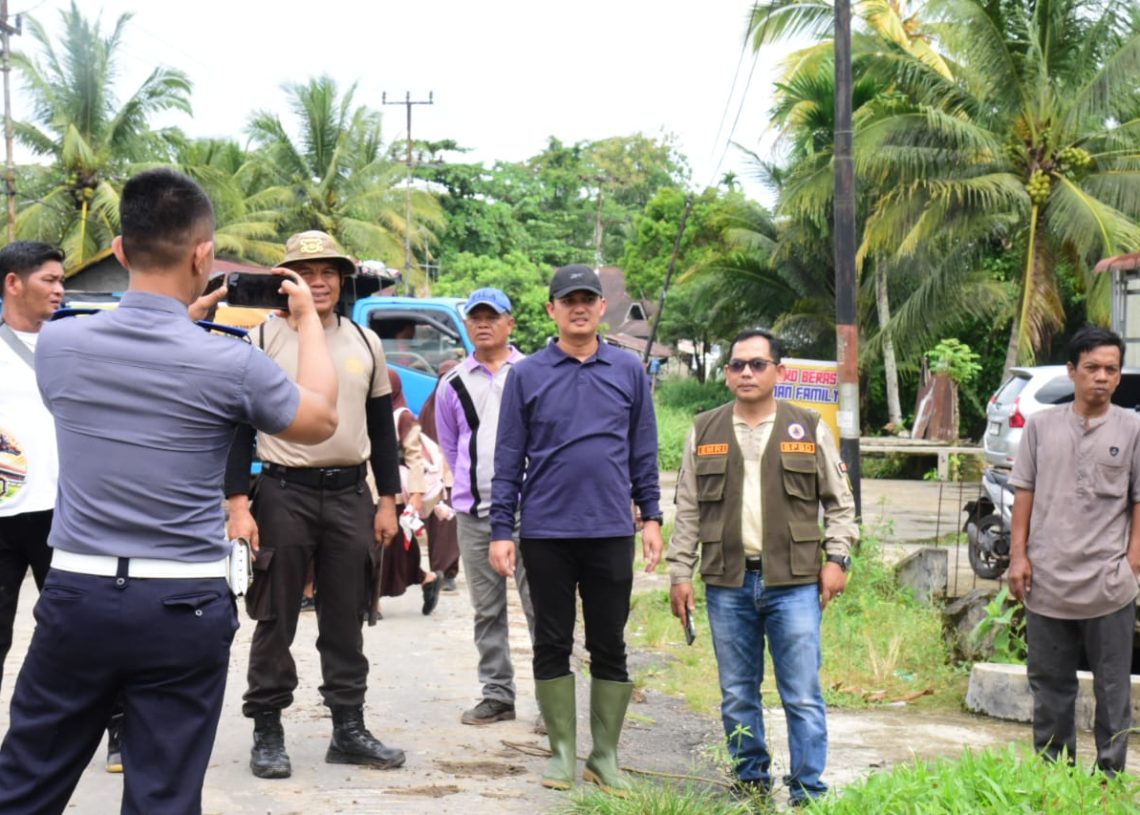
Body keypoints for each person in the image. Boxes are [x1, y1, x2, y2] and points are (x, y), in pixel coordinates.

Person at [0, 168, 339, 815]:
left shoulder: (61, 345)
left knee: (23, 786)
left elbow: (138, 355)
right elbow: (320, 414)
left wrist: (179, 320)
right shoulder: (230, 361)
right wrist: (308, 321)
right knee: (163, 797)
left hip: (78, 594)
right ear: (202, 254)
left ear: (121, 250)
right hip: (181, 601)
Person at [225, 229, 406, 780]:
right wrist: (238, 503)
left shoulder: (364, 342)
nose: (319, 281)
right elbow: (238, 429)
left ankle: (348, 730)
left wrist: (389, 501)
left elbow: (382, 429)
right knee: (275, 615)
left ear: (343, 278)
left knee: (346, 614)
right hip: (283, 492)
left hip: (352, 492)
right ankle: (267, 731)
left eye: (329, 271)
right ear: (287, 281)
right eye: (306, 273)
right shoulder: (262, 341)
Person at [666, 327, 857, 808]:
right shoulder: (704, 429)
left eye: (757, 364)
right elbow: (688, 509)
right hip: (727, 582)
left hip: (792, 583)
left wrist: (837, 559)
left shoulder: (807, 426)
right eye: (737, 365)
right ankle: (751, 783)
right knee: (736, 693)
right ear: (727, 374)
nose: (746, 372)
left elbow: (840, 505)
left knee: (802, 694)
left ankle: (807, 791)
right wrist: (678, 574)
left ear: (779, 371)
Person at [490, 264, 663, 793]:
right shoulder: (528, 374)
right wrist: (502, 528)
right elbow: (508, 456)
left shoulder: (629, 370)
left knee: (609, 641)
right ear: (552, 310)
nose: (579, 307)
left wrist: (651, 516)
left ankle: (604, 755)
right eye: (568, 300)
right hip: (546, 531)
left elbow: (643, 450)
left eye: (588, 298)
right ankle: (562, 753)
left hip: (611, 528)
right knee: (551, 639)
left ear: (601, 307)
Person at [0, 241, 130, 773]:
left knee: (95, 630)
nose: (59, 290)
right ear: (13, 283)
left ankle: (121, 731)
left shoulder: (77, 342)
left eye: (60, 281)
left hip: (71, 515)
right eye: (49, 280)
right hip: (5, 518)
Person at [1009, 325, 1140, 776]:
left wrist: (1132, 564)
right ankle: (1053, 775)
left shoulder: (1134, 428)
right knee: (1049, 687)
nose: (1101, 377)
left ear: (1119, 376)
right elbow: (1022, 492)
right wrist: (1018, 556)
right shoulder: (1042, 427)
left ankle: (1109, 777)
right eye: (1092, 368)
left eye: (1111, 369)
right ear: (1072, 372)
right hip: (1047, 582)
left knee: (1112, 688)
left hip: (1109, 585)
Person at [435, 288, 537, 726]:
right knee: (487, 609)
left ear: (510, 323)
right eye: (475, 317)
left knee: (543, 609)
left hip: (534, 513)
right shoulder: (453, 383)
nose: (483, 324)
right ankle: (497, 693)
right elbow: (452, 446)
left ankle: (555, 701)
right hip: (476, 515)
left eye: (492, 316)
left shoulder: (534, 373)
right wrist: (469, 492)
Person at [375, 369, 442, 615]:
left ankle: (373, 602)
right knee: (390, 550)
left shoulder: (403, 417)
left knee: (385, 548)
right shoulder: (367, 412)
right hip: (367, 490)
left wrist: (415, 494)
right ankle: (426, 578)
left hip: (395, 494)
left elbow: (415, 458)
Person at [419, 358, 461, 593]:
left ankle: (447, 571)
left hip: (453, 475)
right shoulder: (431, 406)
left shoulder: (455, 403)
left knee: (449, 526)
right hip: (437, 476)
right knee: (440, 526)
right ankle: (441, 570)